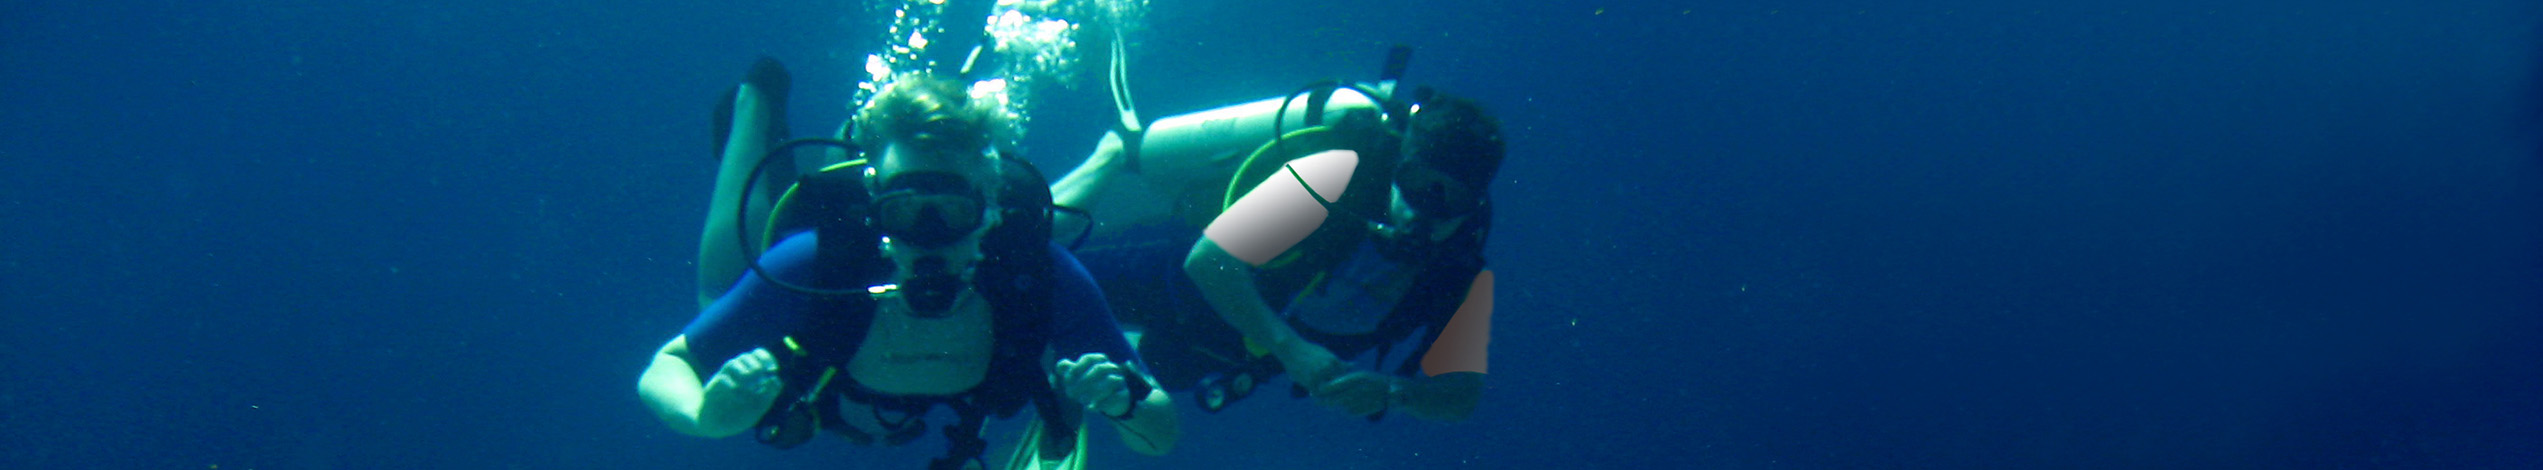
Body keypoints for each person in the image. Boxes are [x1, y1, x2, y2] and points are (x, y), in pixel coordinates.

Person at [640, 68, 1178, 470]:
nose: (928, 239)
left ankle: (1110, 154)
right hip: (837, 276)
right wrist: (704, 419)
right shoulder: (818, 262)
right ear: (874, 202)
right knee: (718, 292)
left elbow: (1161, 427)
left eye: (952, 211)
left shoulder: (1040, 274)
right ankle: (754, 102)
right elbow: (668, 365)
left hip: (1003, 245)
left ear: (987, 205)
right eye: (903, 210)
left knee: (1038, 231)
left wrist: (1124, 402)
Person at [1049, 61, 1505, 422]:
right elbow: (1208, 261)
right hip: (1165, 274)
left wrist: (1393, 391)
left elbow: (1463, 392)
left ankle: (1067, 369)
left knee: (1136, 377)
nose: (1423, 210)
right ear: (1399, 166)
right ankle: (1113, 155)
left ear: (1474, 204)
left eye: (1450, 199)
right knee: (1044, 277)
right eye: (1417, 184)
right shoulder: (1337, 175)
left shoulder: (1458, 272)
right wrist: (1292, 349)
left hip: (1223, 351)